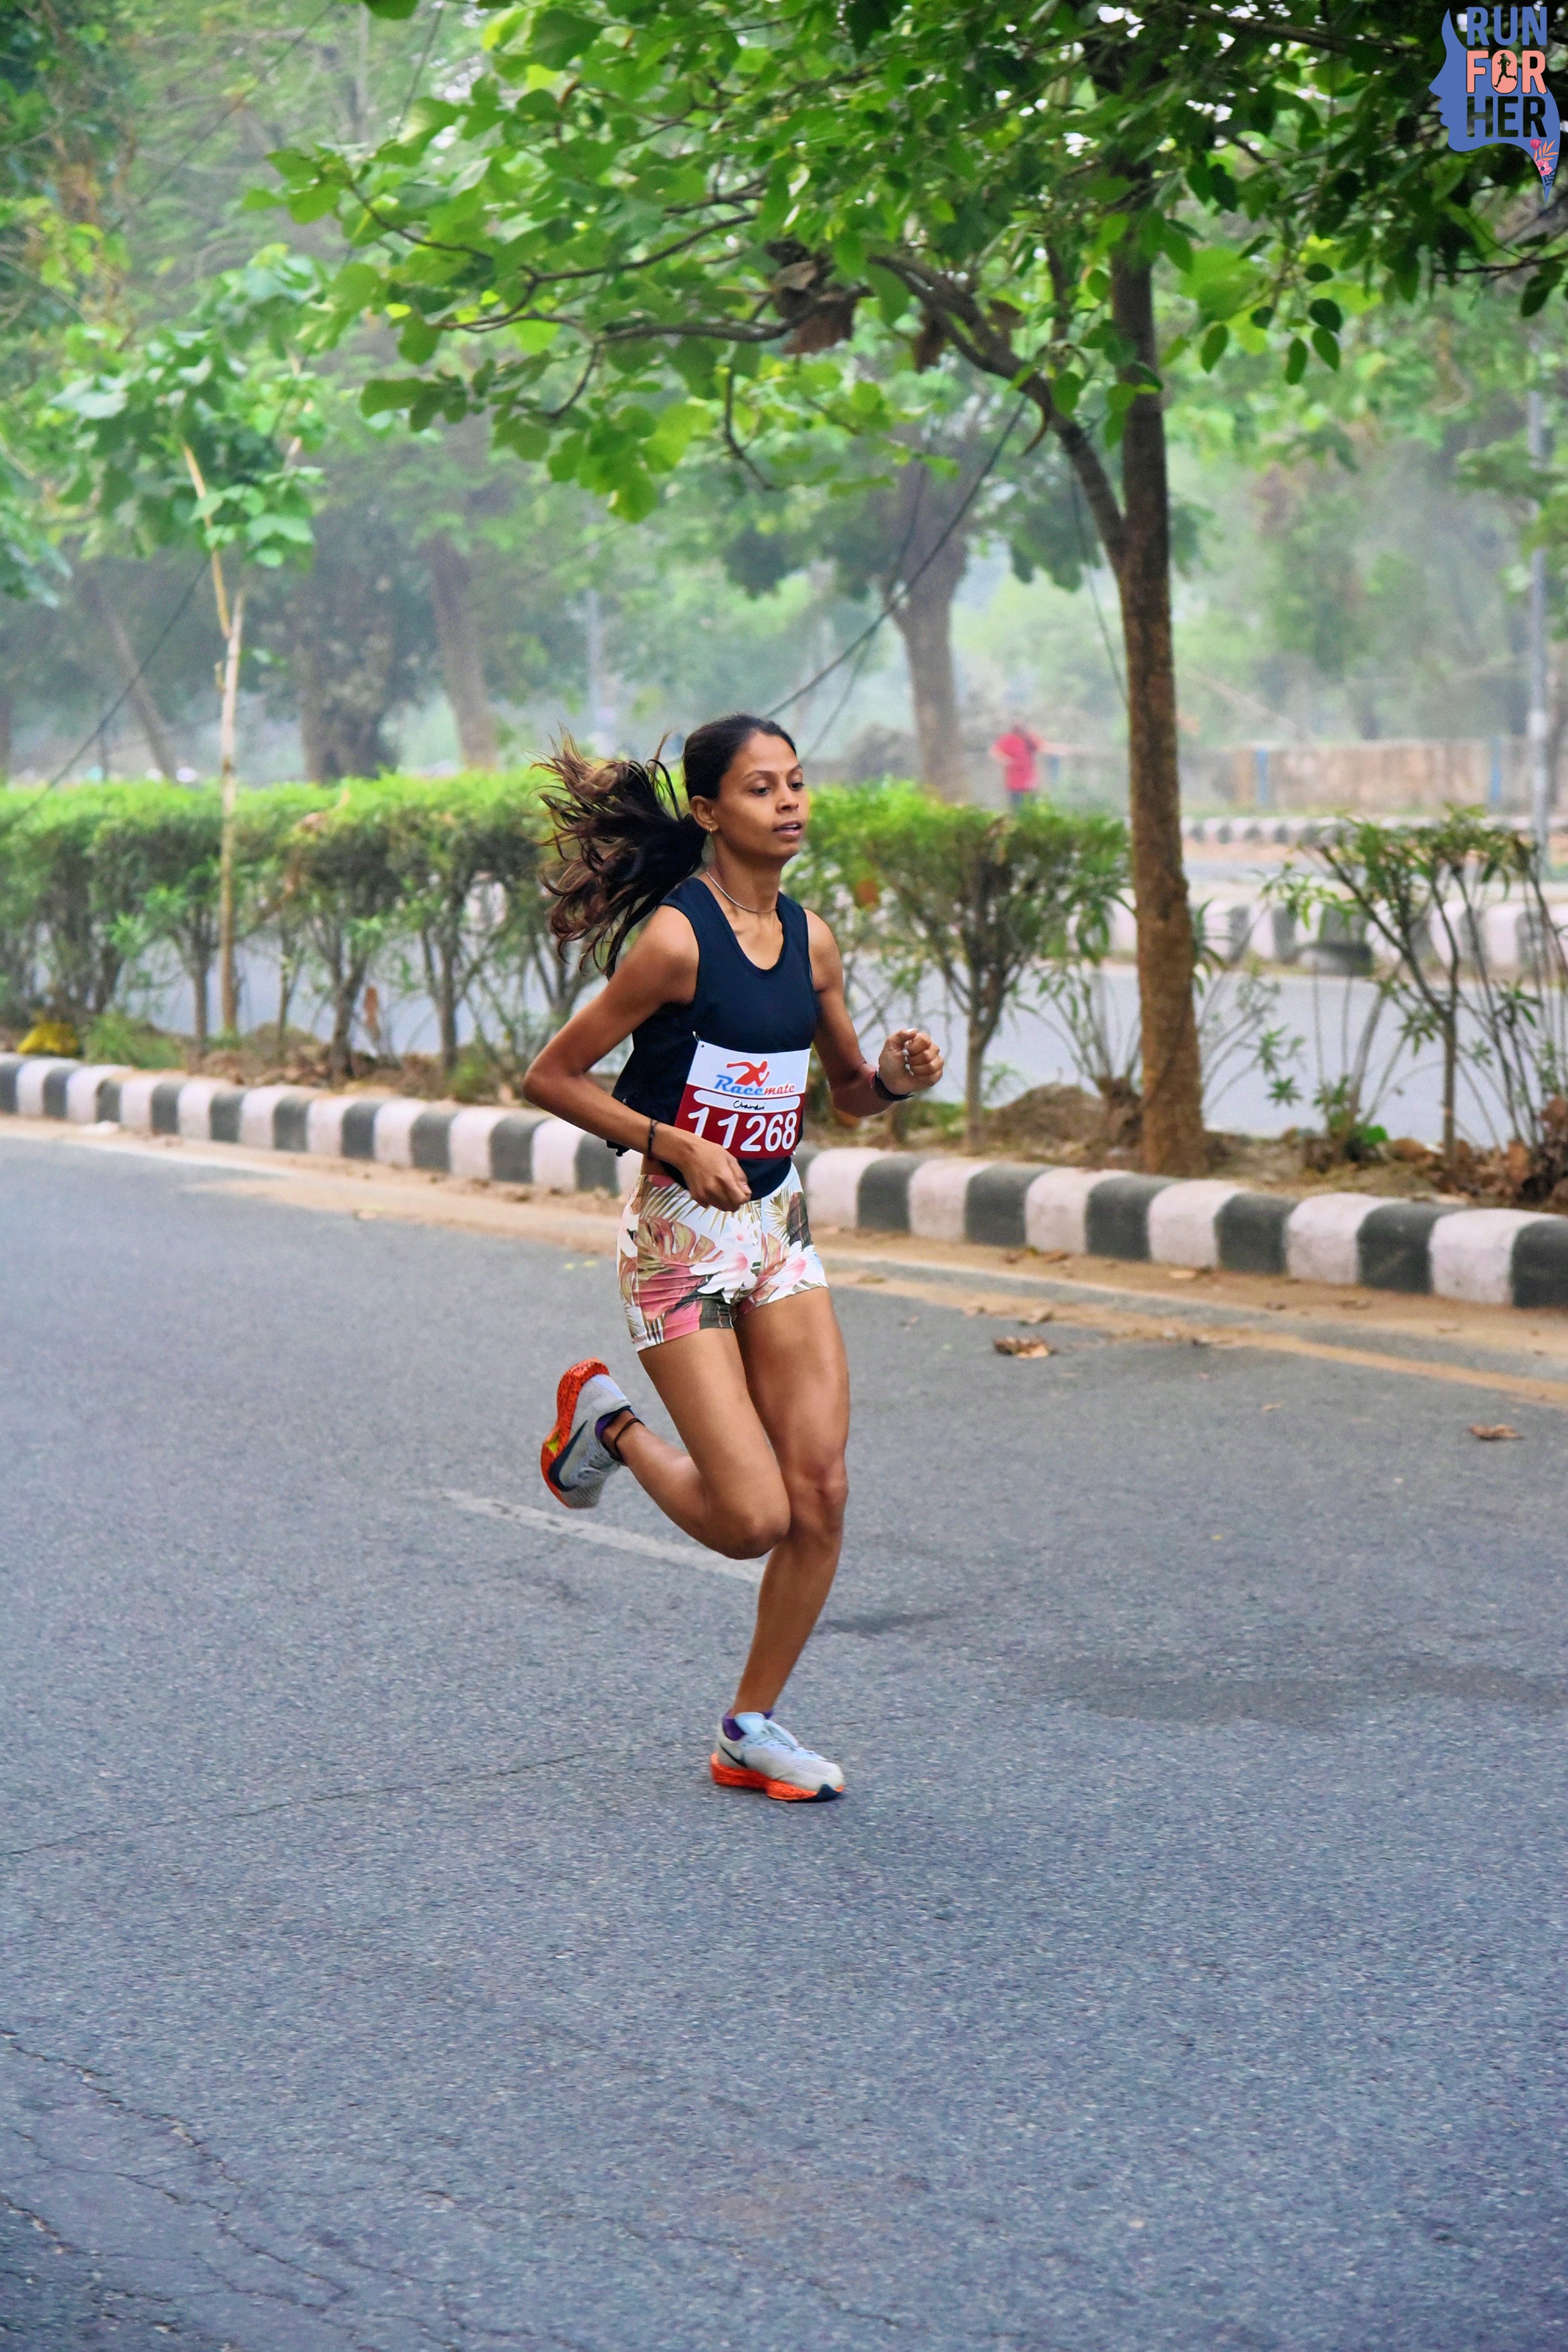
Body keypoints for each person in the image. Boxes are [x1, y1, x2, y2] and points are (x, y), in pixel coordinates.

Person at [523, 714, 944, 1803]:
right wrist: (670, 1141)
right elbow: (552, 1077)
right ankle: (607, 1425)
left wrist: (893, 1077)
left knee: (822, 1490)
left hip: (776, 1228)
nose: (789, 801)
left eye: (796, 782)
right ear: (710, 811)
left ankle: (748, 1726)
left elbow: (846, 1092)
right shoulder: (676, 940)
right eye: (761, 787)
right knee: (751, 1518)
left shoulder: (811, 940)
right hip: (678, 1239)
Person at [990, 718, 1045, 803]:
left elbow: (1043, 746)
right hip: (1015, 783)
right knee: (1017, 806)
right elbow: (994, 751)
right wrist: (1005, 760)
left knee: (1033, 805)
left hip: (1030, 781)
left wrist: (1062, 750)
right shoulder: (1008, 739)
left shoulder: (1031, 738)